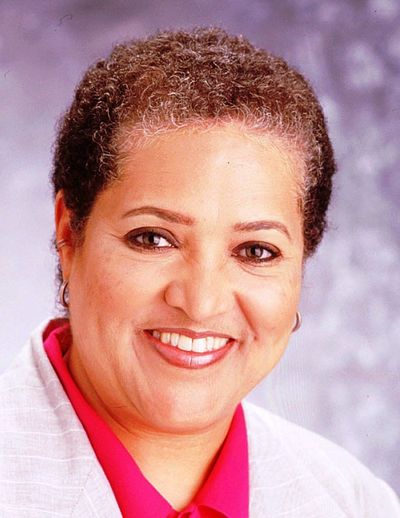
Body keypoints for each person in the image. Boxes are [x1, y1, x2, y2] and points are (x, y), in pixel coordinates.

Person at [0, 27, 398, 518]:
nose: (201, 302)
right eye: (153, 239)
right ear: (69, 235)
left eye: (256, 251)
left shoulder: (359, 503)